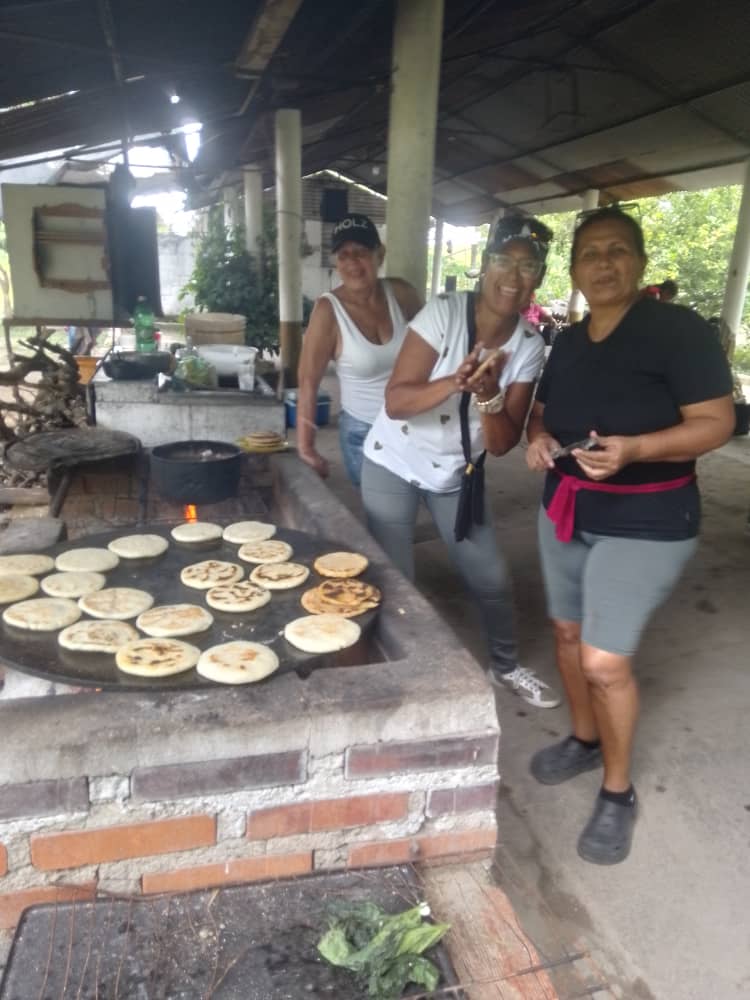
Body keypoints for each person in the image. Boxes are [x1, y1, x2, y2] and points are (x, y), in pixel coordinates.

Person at [525, 207, 734, 863]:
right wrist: (537, 440)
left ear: (640, 263)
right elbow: (541, 414)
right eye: (590, 252)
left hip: (648, 518)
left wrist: (637, 447)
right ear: (575, 269)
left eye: (618, 249)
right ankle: (585, 741)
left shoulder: (678, 331)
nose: (604, 262)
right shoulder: (567, 341)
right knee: (565, 634)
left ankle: (618, 793)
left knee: (602, 661)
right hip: (566, 505)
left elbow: (716, 422)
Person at [361, 215, 561, 709]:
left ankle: (506, 666)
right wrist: (456, 381)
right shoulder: (444, 312)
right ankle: (397, 675)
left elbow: (500, 443)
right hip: (394, 459)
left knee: (490, 576)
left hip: (456, 474)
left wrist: (490, 395)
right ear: (484, 266)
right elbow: (396, 401)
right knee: (395, 577)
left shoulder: (529, 347)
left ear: (538, 277)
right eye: (503, 260)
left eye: (528, 266)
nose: (513, 276)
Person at [296, 213, 422, 486]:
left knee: (409, 508)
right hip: (364, 431)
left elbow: (436, 345)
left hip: (414, 425)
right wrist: (306, 447)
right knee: (382, 517)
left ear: (380, 254)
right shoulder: (328, 311)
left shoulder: (401, 294)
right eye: (343, 255)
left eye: (361, 252)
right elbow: (308, 381)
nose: (353, 262)